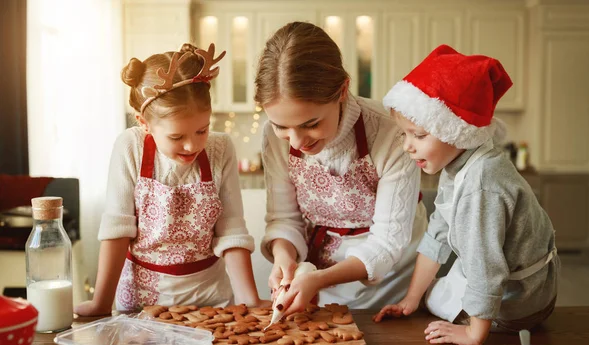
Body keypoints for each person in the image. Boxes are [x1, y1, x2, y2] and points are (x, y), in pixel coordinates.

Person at [374, 45, 559, 345]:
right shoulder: (459, 165)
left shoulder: (480, 184)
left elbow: (485, 266)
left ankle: (487, 324)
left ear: (456, 131)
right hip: (513, 286)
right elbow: (438, 233)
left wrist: (474, 334)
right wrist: (411, 299)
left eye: (419, 135)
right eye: (403, 134)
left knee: (435, 306)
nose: (408, 146)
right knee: (427, 298)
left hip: (522, 303)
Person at [75, 43, 268, 316]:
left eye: (202, 130)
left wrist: (249, 299)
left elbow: (231, 228)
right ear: (144, 122)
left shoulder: (220, 148)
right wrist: (101, 304)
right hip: (141, 300)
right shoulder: (131, 146)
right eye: (177, 137)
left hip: (210, 300)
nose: (192, 146)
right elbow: (118, 229)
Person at [255, 22, 428, 316]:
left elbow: (387, 243)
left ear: (343, 90)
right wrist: (284, 256)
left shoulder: (390, 133)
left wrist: (319, 279)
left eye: (311, 124)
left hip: (390, 276)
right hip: (318, 268)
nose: (297, 141)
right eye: (282, 125)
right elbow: (284, 217)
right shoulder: (273, 138)